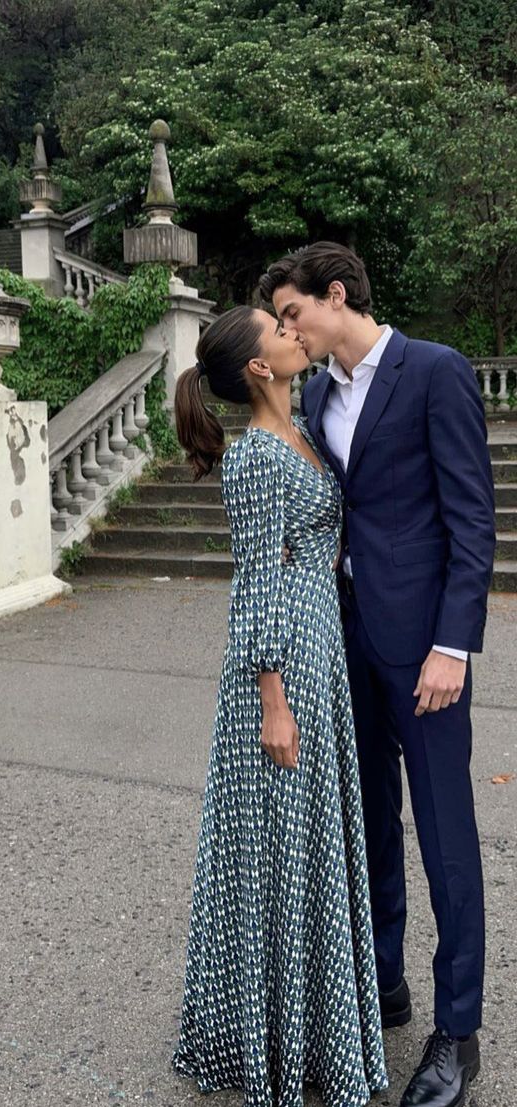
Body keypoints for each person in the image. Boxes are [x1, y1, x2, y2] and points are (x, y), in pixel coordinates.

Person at [259, 242, 495, 1107]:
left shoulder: (434, 371)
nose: (288, 330)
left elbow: (473, 519)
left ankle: (458, 1031)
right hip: (345, 644)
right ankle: (383, 984)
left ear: (335, 295)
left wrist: (452, 644)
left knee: (445, 836)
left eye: (292, 314)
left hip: (424, 650)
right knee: (368, 827)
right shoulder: (317, 392)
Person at [171, 304, 388, 1107]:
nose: (296, 334)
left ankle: (312, 1024)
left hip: (318, 642)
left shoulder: (300, 433)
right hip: (284, 661)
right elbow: (255, 578)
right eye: (280, 332)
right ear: (260, 368)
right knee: (279, 846)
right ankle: (278, 1039)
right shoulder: (258, 457)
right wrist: (273, 701)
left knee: (307, 840)